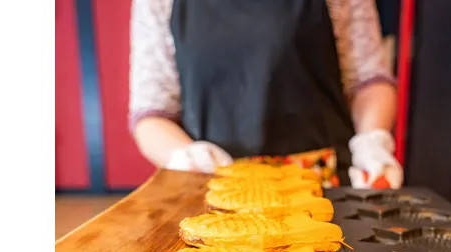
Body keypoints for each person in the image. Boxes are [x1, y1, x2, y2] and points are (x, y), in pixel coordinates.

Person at [130, 0, 402, 189]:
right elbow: (151, 113)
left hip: (325, 188)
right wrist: (185, 156)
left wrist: (372, 139)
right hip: (212, 191)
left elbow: (367, 78)